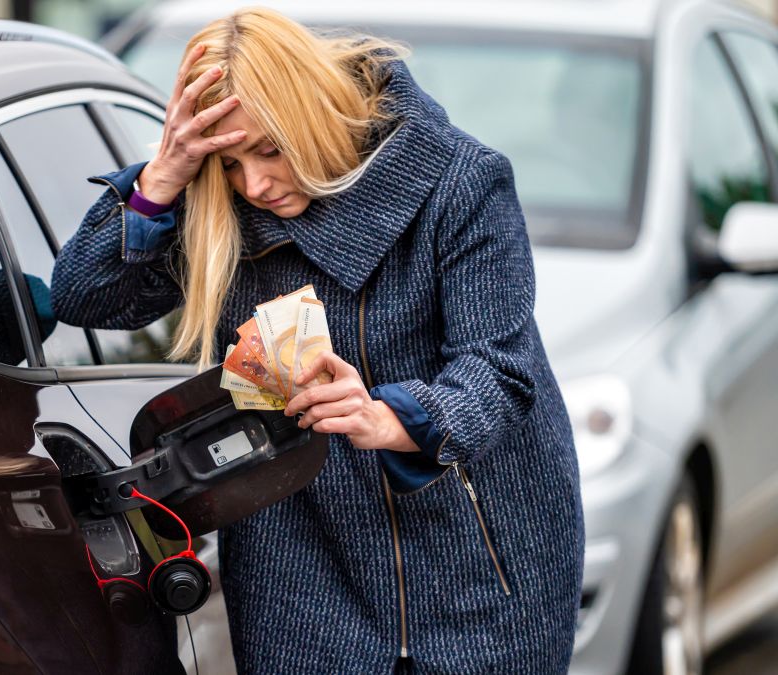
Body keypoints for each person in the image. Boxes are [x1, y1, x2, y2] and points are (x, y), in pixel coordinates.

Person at [51, 8, 583, 674]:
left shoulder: (460, 181)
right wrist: (165, 176)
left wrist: (389, 416)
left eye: (270, 149)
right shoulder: (222, 202)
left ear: (312, 113)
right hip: (298, 574)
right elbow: (82, 296)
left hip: (479, 563)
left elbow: (498, 369)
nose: (255, 183)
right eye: (229, 159)